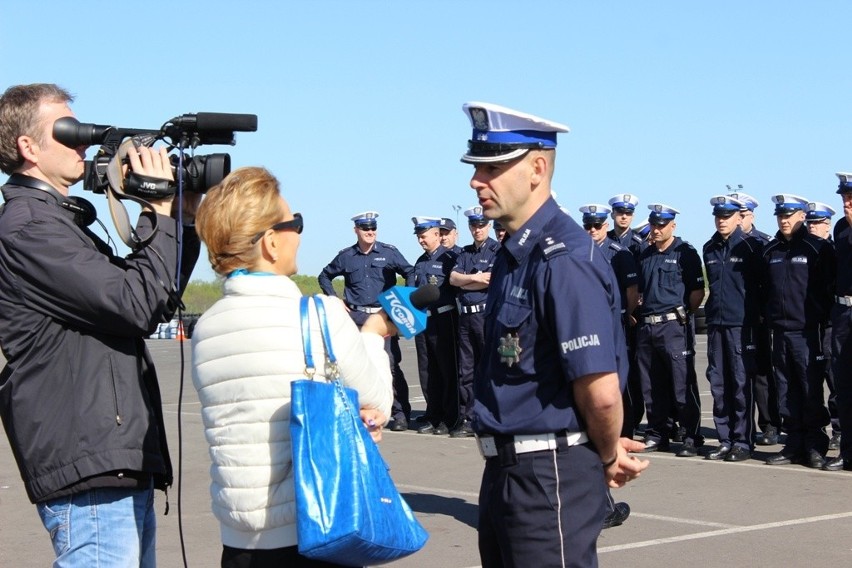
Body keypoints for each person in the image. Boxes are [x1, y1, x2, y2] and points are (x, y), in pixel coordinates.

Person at [0, 83, 200, 566]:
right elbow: (134, 303)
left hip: (111, 455)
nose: (82, 144)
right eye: (67, 132)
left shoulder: (61, 221)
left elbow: (156, 296)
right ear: (28, 147)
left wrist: (182, 218)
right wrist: (156, 208)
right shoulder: (30, 227)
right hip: (88, 459)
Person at [460, 101, 648, 567]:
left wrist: (607, 452)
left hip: (549, 475)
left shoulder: (563, 260)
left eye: (491, 168)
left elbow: (600, 392)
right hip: (508, 470)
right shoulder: (514, 255)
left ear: (537, 168)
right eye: (476, 167)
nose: (476, 181)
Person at [191, 166, 394, 567]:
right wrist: (372, 334)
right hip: (313, 530)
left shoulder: (207, 327)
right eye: (294, 223)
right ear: (270, 242)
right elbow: (377, 401)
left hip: (239, 541)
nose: (300, 233)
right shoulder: (319, 313)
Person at [317, 211, 415, 431]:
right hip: (355, 318)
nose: (370, 232)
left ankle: (399, 414)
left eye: (373, 229)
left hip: (382, 318)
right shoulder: (346, 256)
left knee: (389, 365)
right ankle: (357, 412)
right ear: (356, 231)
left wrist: (402, 301)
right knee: (353, 366)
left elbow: (410, 271)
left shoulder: (389, 253)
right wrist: (334, 298)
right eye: (365, 229)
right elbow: (324, 276)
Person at [762, 194, 834, 468]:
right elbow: (765, 290)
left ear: (801, 216)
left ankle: (815, 445)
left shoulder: (817, 249)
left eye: (789, 215)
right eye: (780, 216)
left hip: (808, 332)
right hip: (780, 332)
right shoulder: (770, 252)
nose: (784, 220)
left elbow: (828, 289)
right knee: (785, 389)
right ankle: (793, 444)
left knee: (809, 389)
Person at [580, 203, 640, 530]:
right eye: (588, 225)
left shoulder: (615, 254)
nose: (592, 230)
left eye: (597, 224)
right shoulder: (576, 253)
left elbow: (627, 293)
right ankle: (600, 508)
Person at [635, 203, 706, 457]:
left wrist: (683, 315)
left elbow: (697, 292)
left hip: (674, 326)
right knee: (652, 385)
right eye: (653, 225)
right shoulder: (645, 254)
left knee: (682, 382)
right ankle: (658, 433)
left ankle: (691, 435)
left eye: (661, 225)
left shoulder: (685, 252)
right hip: (648, 326)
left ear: (672, 226)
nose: (656, 229)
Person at [701, 196, 763, 462]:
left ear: (739, 218)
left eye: (727, 217)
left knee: (739, 384)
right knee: (718, 383)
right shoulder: (710, 247)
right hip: (716, 323)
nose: (722, 221)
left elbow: (762, 288)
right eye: (718, 217)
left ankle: (742, 441)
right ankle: (725, 439)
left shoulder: (753, 246)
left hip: (741, 325)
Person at [729, 190, 781, 445]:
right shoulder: (727, 243)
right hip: (736, 318)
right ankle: (740, 427)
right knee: (737, 376)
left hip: (758, 318)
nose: (739, 219)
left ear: (751, 215)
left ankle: (770, 424)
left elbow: (769, 283)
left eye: (743, 214)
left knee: (762, 373)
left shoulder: (762, 242)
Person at [448, 206, 500, 438]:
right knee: (466, 370)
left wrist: (468, 281)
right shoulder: (465, 253)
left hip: (484, 315)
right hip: (465, 317)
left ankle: (491, 416)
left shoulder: (496, 250)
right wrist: (473, 278)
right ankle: (469, 417)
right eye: (473, 225)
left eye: (481, 225)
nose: (477, 229)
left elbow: (489, 281)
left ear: (488, 225)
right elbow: (452, 279)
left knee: (489, 368)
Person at [410, 216, 460, 435]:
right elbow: (411, 290)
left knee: (447, 370)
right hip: (424, 320)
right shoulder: (420, 262)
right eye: (419, 237)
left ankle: (449, 417)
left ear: (437, 235)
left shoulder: (452, 258)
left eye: (424, 236)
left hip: (444, 319)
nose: (421, 240)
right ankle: (433, 414)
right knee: (427, 370)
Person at [805, 202, 841, 451]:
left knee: (835, 380)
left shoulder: (833, 251)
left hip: (830, 324)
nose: (813, 227)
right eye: (810, 223)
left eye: (817, 223)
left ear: (827, 225)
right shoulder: (806, 250)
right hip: (810, 325)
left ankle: (839, 429)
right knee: (810, 381)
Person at [826, 173, 852, 471]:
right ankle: (847, 451)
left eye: (851, 198)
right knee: (844, 386)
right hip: (843, 313)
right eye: (844, 197)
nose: (847, 203)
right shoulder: (841, 228)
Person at [607, 193, 642, 257]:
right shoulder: (605, 239)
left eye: (628, 213)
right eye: (620, 212)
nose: (624, 217)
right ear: (612, 215)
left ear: (633, 216)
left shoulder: (639, 243)